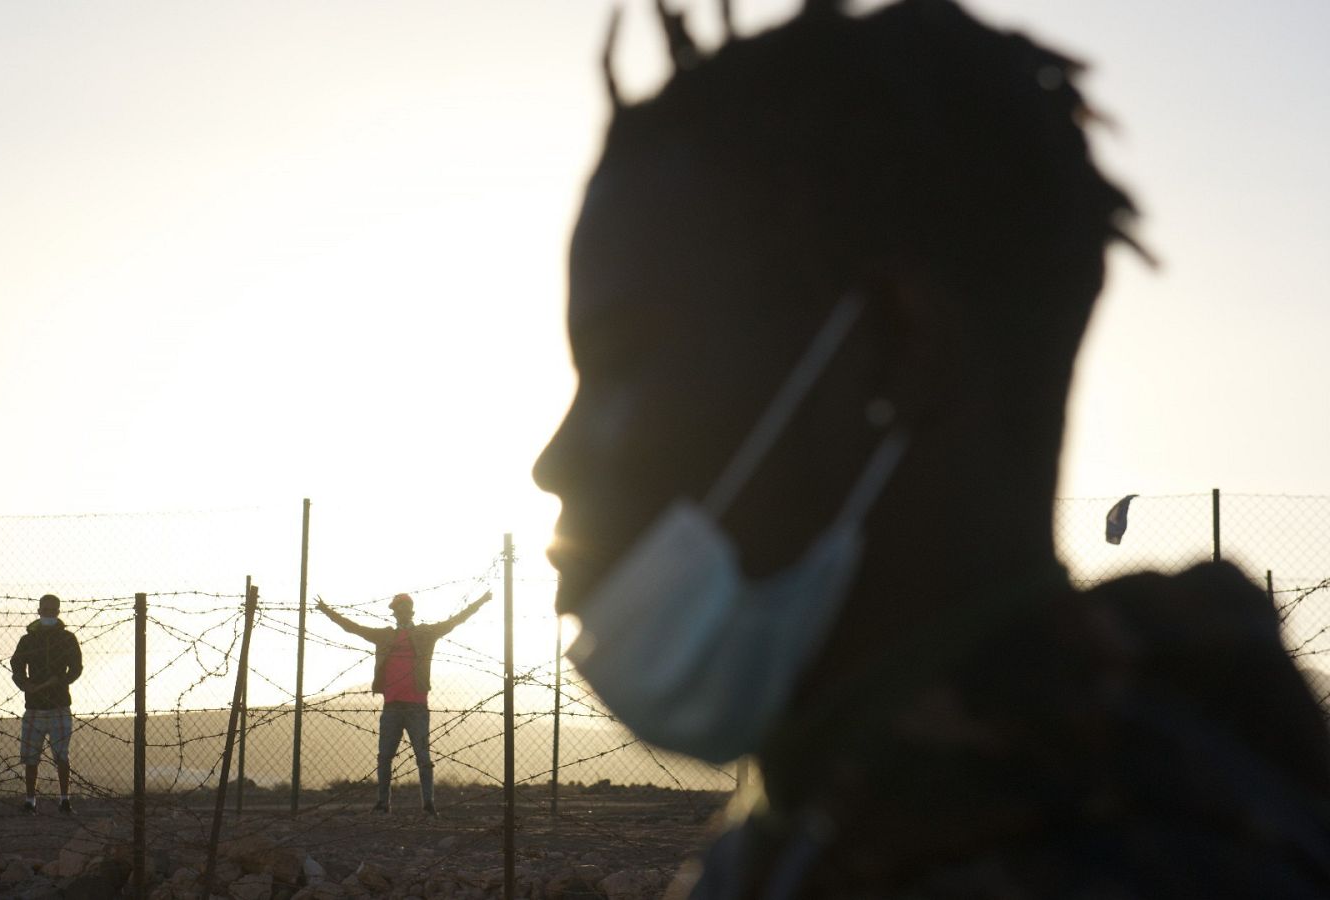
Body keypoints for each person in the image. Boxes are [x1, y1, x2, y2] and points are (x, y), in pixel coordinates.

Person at [532, 0, 1330, 896]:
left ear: (893, 351)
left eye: (623, 362)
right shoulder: (827, 825)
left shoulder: (1142, 867)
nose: (553, 462)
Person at [316, 590, 492, 815]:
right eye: (398, 609)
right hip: (392, 706)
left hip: (416, 705)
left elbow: (456, 620)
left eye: (404, 608)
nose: (401, 612)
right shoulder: (385, 636)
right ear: (394, 613)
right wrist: (327, 611)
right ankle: (383, 803)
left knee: (422, 757)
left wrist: (481, 600)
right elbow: (354, 628)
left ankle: (427, 805)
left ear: (411, 611)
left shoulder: (425, 633)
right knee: (385, 756)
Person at [9, 592, 83, 816]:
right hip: (34, 706)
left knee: (62, 755)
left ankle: (64, 800)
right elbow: (17, 665)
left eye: (53, 611)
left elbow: (76, 667)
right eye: (46, 610)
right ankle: (30, 801)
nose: (49, 614)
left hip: (60, 705)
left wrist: (60, 682)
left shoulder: (68, 639)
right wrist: (25, 684)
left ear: (57, 612)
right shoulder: (28, 640)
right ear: (39, 611)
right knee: (31, 757)